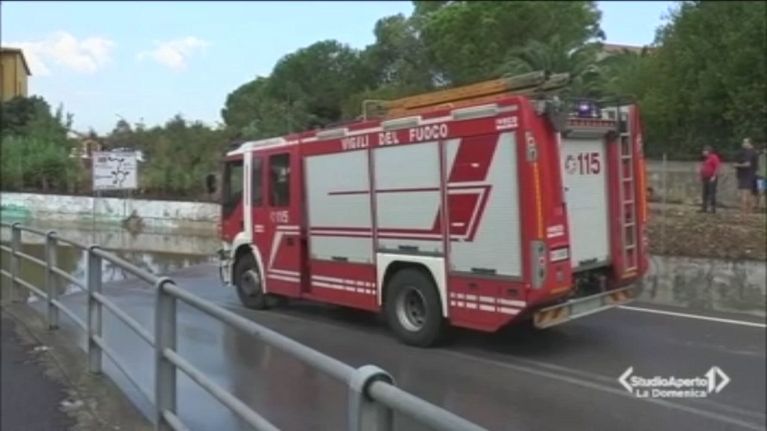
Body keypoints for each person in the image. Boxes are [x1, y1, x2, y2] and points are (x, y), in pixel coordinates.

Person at [733, 138, 758, 215]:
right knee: (749, 195)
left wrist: (737, 165)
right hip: (751, 175)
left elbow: (747, 164)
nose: (743, 143)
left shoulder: (749, 152)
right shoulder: (754, 152)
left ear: (749, 143)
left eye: (745, 142)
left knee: (744, 195)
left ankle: (743, 213)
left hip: (746, 176)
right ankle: (749, 213)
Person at [699, 145, 721, 213]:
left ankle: (712, 208)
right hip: (705, 177)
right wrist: (701, 176)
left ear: (708, 151)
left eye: (704, 151)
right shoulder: (706, 158)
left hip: (711, 177)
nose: (703, 152)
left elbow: (717, 166)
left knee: (712, 193)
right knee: (704, 193)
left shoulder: (713, 157)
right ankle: (704, 207)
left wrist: (714, 176)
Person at [756, 144, 767, 210]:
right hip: (761, 176)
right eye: (765, 149)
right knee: (760, 192)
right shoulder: (760, 157)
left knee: (764, 193)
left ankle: (764, 206)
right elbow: (758, 166)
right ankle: (759, 206)